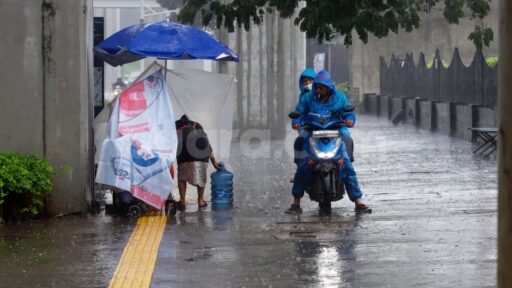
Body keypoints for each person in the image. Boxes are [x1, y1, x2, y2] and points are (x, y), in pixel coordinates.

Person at [285, 70, 371, 214]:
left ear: (328, 87)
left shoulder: (340, 98)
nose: (318, 90)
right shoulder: (308, 98)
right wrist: (296, 122)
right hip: (313, 133)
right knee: (303, 166)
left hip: (335, 133)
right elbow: (299, 113)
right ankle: (296, 203)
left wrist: (349, 119)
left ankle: (358, 202)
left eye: (321, 87)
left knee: (347, 166)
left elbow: (348, 112)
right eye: (316, 87)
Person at [175, 114, 220, 210]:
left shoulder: (175, 125)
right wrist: (214, 162)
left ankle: (182, 201)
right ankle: (200, 200)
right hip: (201, 152)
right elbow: (206, 143)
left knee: (182, 176)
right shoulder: (197, 125)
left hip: (183, 152)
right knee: (201, 175)